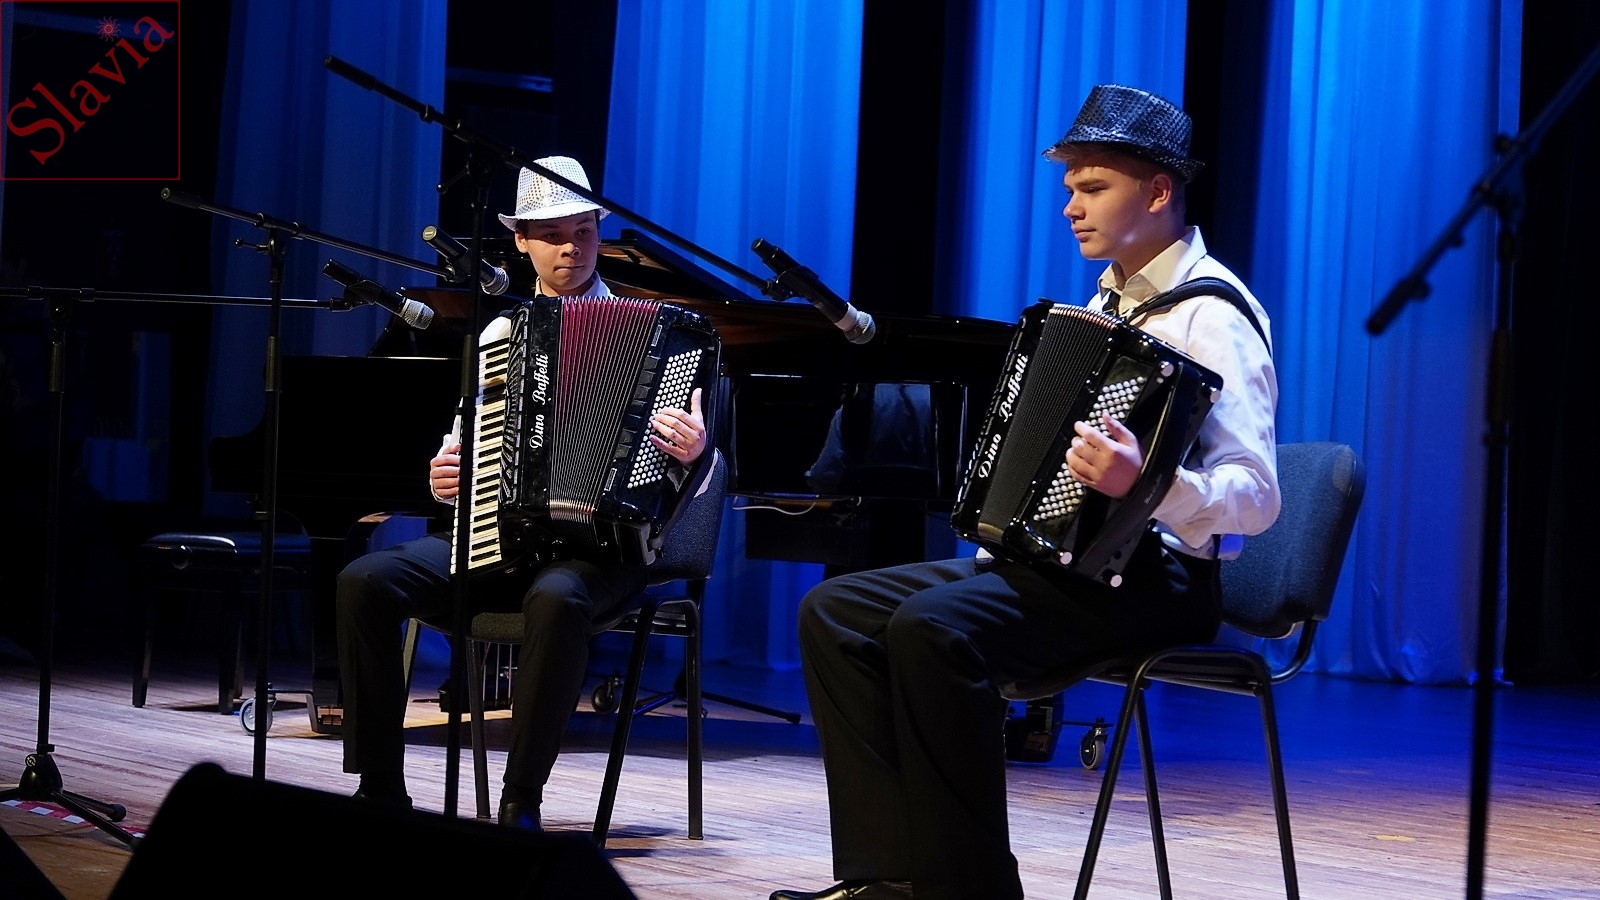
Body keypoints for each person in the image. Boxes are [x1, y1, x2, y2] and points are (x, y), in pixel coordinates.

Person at [767, 84, 1280, 900]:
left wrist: (1148, 483)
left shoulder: (1214, 316)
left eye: (1093, 187)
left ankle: (970, 890)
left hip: (1160, 585)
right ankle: (888, 878)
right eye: (1069, 188)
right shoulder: (1104, 305)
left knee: (934, 629)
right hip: (1070, 571)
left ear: (1158, 191)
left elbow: (1255, 498)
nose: (1071, 206)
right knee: (836, 611)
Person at [336, 156, 714, 830]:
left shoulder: (665, 337)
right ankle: (381, 788)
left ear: (598, 232)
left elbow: (702, 473)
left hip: (603, 554)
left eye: (583, 232)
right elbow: (466, 446)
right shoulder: (499, 335)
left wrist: (695, 453)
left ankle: (520, 803)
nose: (571, 248)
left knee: (556, 597)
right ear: (520, 242)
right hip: (496, 539)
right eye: (553, 235)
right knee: (364, 581)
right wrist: (444, 479)